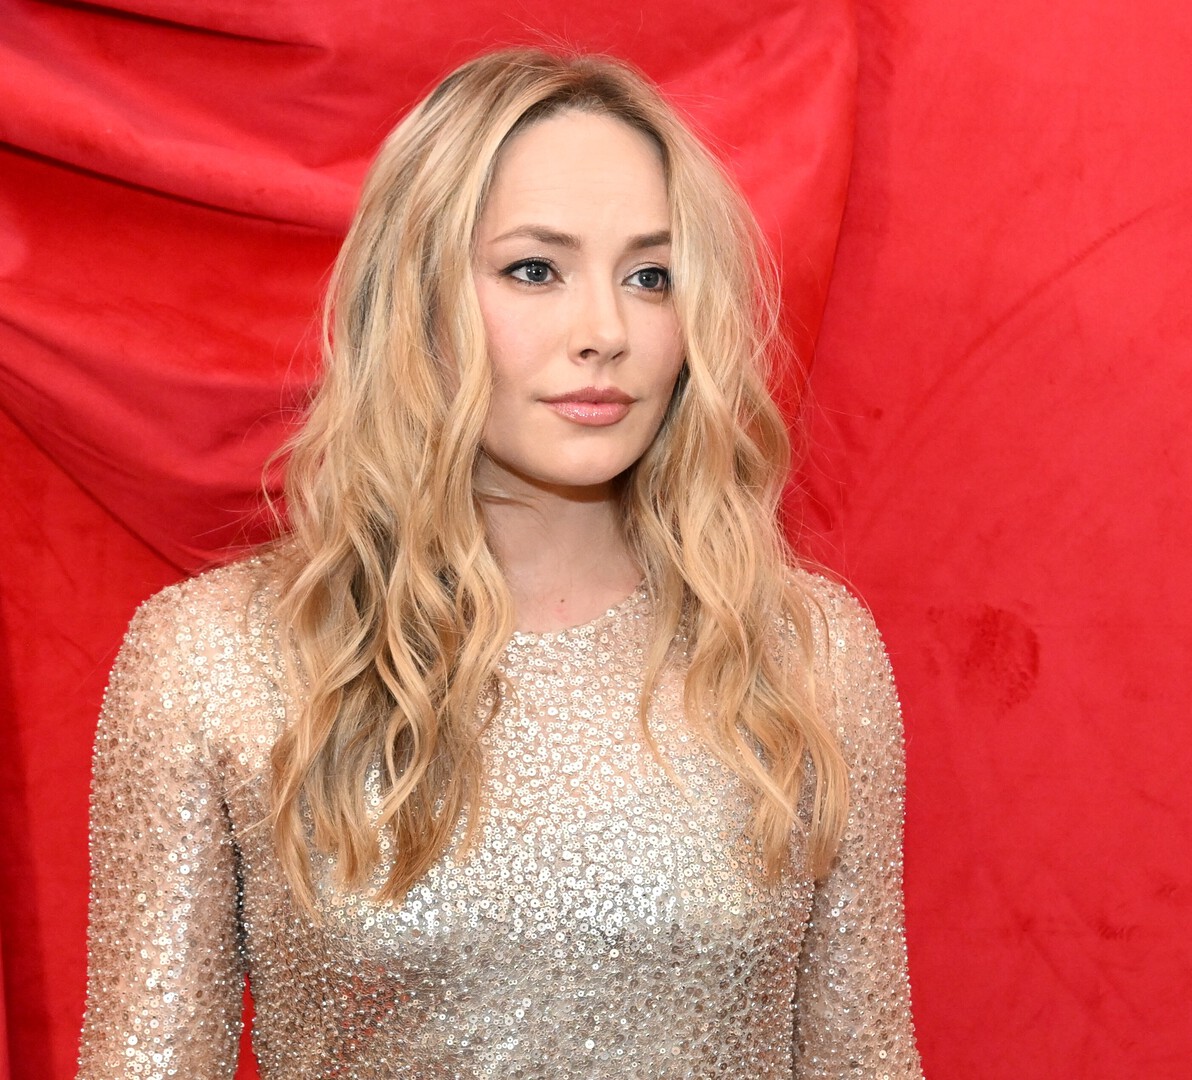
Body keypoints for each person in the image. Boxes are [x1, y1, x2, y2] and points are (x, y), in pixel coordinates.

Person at [74, 47, 923, 1079]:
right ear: (416, 298)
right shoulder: (216, 662)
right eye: (534, 270)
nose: (605, 331)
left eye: (651, 277)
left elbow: (863, 1060)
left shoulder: (805, 656)